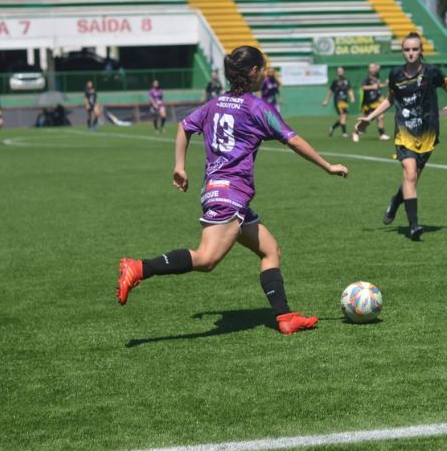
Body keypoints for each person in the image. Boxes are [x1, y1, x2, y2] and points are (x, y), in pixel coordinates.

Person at [116, 45, 349, 335]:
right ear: (253, 72)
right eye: (261, 69)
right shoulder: (257, 108)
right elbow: (293, 140)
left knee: (270, 250)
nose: (263, 74)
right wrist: (327, 166)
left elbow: (183, 127)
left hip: (220, 191)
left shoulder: (214, 105)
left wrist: (180, 166)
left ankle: (285, 317)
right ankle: (138, 268)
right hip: (230, 195)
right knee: (207, 259)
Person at [356, 31, 447, 240]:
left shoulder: (432, 72)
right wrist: (370, 118)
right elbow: (389, 100)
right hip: (404, 132)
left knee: (411, 180)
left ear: (421, 51)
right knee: (409, 175)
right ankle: (413, 227)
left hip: (428, 133)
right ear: (402, 52)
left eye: (415, 49)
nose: (411, 53)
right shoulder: (395, 75)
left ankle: (395, 202)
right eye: (407, 49)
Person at [352, 62, 390, 142]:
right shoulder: (367, 79)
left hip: (376, 100)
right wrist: (372, 87)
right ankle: (356, 132)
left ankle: (382, 134)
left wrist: (385, 84)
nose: (373, 69)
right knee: (365, 119)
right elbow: (363, 87)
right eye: (371, 67)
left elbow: (378, 85)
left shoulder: (376, 76)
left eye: (374, 67)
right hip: (368, 102)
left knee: (380, 117)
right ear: (369, 69)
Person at [322, 66, 354, 137]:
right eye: (339, 71)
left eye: (341, 71)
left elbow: (349, 89)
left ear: (344, 72)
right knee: (343, 115)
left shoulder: (346, 81)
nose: (340, 72)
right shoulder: (335, 81)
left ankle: (332, 127)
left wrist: (352, 97)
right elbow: (330, 91)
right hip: (338, 101)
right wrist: (326, 100)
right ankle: (344, 133)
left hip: (345, 100)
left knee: (343, 117)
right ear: (337, 72)